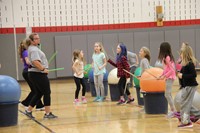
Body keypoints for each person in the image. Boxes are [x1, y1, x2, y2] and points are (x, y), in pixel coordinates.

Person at [25, 33, 57, 119]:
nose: (38, 39)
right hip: (37, 74)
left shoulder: (33, 48)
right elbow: (35, 62)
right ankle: (47, 114)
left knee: (39, 93)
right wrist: (43, 69)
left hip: (34, 73)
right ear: (31, 41)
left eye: (38, 38)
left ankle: (28, 110)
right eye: (36, 38)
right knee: (47, 92)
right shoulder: (34, 49)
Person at [177, 45, 200, 128]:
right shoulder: (185, 64)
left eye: (181, 53)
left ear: (185, 54)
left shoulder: (190, 63)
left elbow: (193, 75)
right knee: (185, 103)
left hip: (191, 86)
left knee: (185, 103)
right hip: (187, 86)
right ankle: (196, 115)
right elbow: (183, 76)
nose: (180, 55)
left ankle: (186, 121)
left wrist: (182, 75)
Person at [18, 39, 44, 111]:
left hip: (26, 72)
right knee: (36, 90)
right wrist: (36, 62)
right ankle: (25, 103)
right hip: (28, 72)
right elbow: (27, 61)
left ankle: (39, 105)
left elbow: (23, 61)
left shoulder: (24, 52)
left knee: (36, 90)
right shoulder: (26, 52)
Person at [158, 42, 176, 118]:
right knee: (169, 94)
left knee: (167, 94)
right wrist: (161, 75)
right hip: (168, 77)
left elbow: (172, 70)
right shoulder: (165, 58)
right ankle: (174, 110)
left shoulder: (168, 57)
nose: (159, 49)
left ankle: (173, 111)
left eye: (160, 48)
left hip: (170, 78)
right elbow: (166, 69)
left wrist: (164, 76)